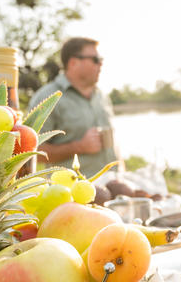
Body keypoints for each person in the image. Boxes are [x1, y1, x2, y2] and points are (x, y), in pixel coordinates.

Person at [28, 37, 119, 177]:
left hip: (114, 185)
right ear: (73, 62)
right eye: (95, 59)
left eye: (101, 59)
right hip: (72, 193)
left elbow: (114, 145)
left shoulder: (101, 95)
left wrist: (121, 172)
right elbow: (33, 152)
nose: (100, 64)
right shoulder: (47, 98)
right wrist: (80, 147)